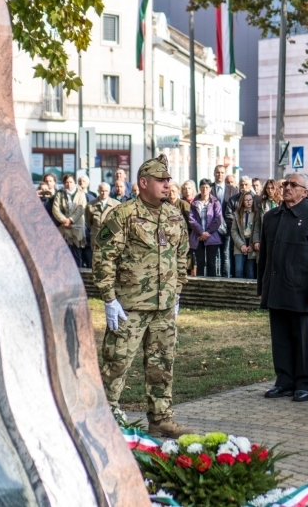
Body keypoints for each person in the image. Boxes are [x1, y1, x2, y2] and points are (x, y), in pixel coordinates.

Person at [93, 154, 191, 438]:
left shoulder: (174, 215)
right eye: (160, 180)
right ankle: (105, 414)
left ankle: (161, 418)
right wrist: (108, 298)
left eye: (168, 180)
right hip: (129, 306)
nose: (166, 185)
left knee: (162, 364)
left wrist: (178, 293)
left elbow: (181, 256)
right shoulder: (123, 215)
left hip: (164, 306)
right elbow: (104, 257)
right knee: (117, 362)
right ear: (143, 182)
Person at [257, 173, 308, 403]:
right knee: (280, 338)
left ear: (305, 191)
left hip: (301, 290)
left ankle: (303, 383)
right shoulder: (271, 217)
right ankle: (284, 381)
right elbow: (265, 257)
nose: (287, 187)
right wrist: (263, 286)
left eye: (293, 185)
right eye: (285, 184)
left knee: (302, 340)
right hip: (276, 288)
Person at [188, 179, 223, 277]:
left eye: (207, 187)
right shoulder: (194, 203)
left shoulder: (215, 202)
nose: (204, 189)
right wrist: (201, 233)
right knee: (200, 263)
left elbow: (218, 219)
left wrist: (207, 232)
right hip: (198, 236)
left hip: (212, 236)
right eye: (202, 187)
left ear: (210, 188)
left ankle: (213, 286)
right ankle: (199, 286)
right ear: (199, 188)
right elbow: (191, 219)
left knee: (211, 263)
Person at [52, 174, 87, 266]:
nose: (69, 184)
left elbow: (81, 208)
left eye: (71, 182)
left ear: (75, 183)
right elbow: (55, 209)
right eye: (66, 182)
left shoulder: (81, 193)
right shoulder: (60, 194)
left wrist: (71, 220)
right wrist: (64, 220)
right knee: (64, 254)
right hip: (64, 227)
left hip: (77, 227)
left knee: (77, 255)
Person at [212, 165, 238, 277]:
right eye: (217, 172)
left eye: (222, 172)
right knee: (212, 255)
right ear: (214, 173)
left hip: (228, 227)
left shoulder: (233, 190)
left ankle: (225, 278)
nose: (220, 175)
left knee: (225, 254)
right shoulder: (209, 188)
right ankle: (211, 279)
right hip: (212, 227)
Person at [230, 192, 261, 279]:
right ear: (242, 201)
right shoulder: (237, 214)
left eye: (250, 199)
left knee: (250, 271)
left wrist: (252, 245)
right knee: (238, 270)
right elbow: (234, 231)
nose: (249, 202)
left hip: (251, 243)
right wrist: (241, 245)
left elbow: (257, 230)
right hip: (240, 243)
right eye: (246, 200)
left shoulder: (256, 213)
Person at [85, 182, 120, 251]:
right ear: (98, 191)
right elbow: (88, 222)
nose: (104, 193)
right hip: (96, 237)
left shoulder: (116, 204)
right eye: (102, 191)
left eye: (106, 191)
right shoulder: (90, 205)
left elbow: (119, 221)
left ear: (109, 191)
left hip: (111, 238)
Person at [168, 182, 194, 275]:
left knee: (184, 262)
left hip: (183, 238)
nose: (171, 193)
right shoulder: (163, 204)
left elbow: (191, 222)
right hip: (168, 239)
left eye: (174, 191)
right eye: (169, 191)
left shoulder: (184, 204)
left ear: (178, 192)